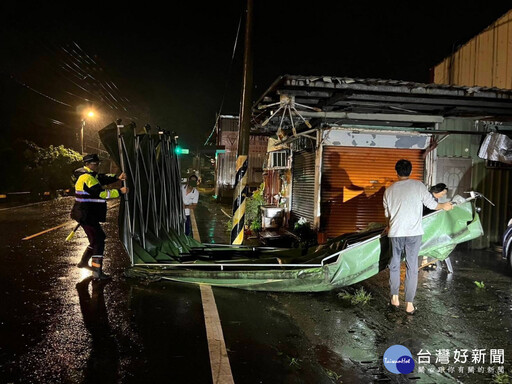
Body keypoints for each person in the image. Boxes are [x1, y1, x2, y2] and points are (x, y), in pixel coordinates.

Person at [383, 159, 453, 315]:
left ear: (397, 171)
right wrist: (445, 206)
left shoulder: (389, 190)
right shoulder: (418, 186)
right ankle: (409, 304)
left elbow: (387, 215)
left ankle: (395, 298)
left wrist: (389, 226)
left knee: (394, 264)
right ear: (410, 171)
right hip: (414, 233)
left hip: (395, 233)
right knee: (412, 267)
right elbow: (432, 205)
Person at [71, 154, 128, 280]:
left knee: (98, 238)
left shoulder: (90, 175)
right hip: (86, 215)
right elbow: (101, 193)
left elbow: (102, 178)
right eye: (96, 164)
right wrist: (120, 192)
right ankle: (97, 272)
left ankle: (84, 263)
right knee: (98, 240)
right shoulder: (87, 178)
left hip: (86, 214)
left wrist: (117, 178)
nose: (98, 166)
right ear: (88, 164)